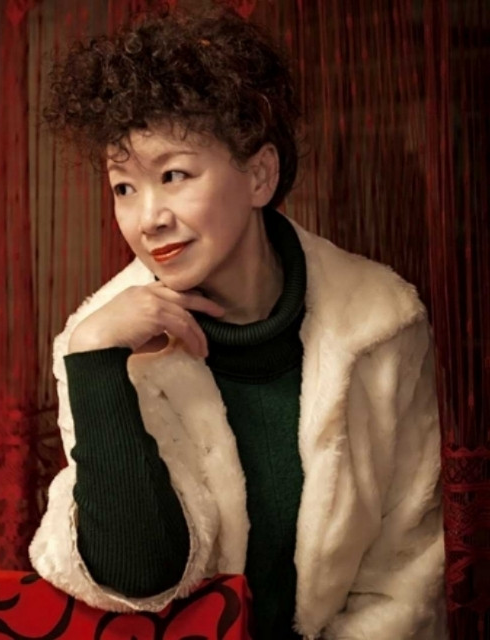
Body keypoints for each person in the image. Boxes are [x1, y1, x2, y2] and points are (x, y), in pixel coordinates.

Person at [29, 7, 446, 639]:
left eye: (173, 175)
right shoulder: (101, 341)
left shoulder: (383, 322)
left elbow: (406, 569)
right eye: (124, 188)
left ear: (258, 175)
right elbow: (136, 577)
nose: (148, 218)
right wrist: (93, 358)